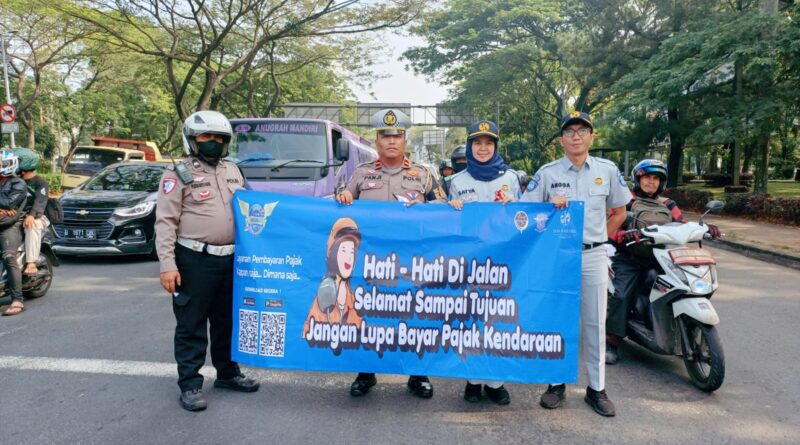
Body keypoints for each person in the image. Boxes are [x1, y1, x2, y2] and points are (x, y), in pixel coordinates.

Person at [521, 111, 630, 417]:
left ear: (592, 137)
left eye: (582, 130)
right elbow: (525, 213)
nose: (576, 136)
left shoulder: (607, 170)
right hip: (557, 257)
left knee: (595, 323)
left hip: (593, 256)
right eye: (569, 132)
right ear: (561, 140)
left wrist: (600, 240)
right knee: (557, 321)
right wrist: (547, 207)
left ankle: (597, 389)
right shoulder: (547, 173)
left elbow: (620, 212)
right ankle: (556, 384)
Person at [336, 108, 446, 399]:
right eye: (386, 137)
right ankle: (365, 372)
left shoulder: (423, 175)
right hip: (370, 262)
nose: (392, 141)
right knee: (368, 315)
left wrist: (429, 207)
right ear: (377, 141)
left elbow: (444, 209)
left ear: (405, 141)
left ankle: (418, 374)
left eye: (397, 136)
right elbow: (343, 202)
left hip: (412, 262)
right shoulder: (361, 174)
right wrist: (343, 197)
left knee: (413, 316)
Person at [155, 110, 259, 412]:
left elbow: (256, 207)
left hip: (232, 260)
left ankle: (227, 373)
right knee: (192, 324)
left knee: (227, 321)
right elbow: (165, 222)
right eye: (206, 136)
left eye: (219, 137)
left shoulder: (234, 171)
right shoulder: (178, 174)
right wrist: (167, 265)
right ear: (192, 140)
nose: (213, 141)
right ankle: (190, 384)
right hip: (194, 260)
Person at [605, 159, 720, 364]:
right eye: (647, 177)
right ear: (637, 180)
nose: (651, 181)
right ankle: (612, 341)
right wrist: (625, 235)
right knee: (621, 295)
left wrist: (704, 228)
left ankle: (676, 327)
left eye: (656, 178)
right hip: (630, 258)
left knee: (683, 286)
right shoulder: (626, 202)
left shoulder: (668, 204)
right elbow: (611, 227)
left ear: (661, 182)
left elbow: (682, 225)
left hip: (663, 257)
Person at [448, 120, 521, 405]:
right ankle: (473, 381)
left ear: (496, 147)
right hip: (471, 261)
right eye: (477, 143)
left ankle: (495, 382)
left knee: (499, 322)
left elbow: (524, 217)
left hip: (505, 260)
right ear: (469, 147)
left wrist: (515, 206)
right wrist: (451, 209)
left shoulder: (511, 178)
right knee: (471, 320)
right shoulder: (457, 181)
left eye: (488, 143)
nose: (482, 148)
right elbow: (449, 224)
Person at [303, 217, 363, 336]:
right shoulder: (322, 300)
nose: (349, 257)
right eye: (344, 250)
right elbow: (308, 336)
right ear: (334, 254)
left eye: (352, 252)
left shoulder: (355, 302)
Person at [0, 150, 27, 316]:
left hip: (9, 227)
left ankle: (17, 299)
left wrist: (4, 208)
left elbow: (9, 204)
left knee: (9, 257)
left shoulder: (18, 183)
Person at [14, 148, 49, 277]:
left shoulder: (40, 183)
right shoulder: (14, 181)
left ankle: (31, 262)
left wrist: (32, 215)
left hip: (38, 216)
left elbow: (40, 201)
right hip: (16, 216)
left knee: (32, 224)